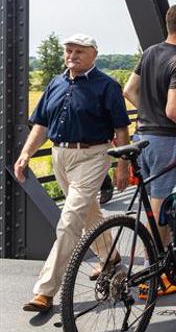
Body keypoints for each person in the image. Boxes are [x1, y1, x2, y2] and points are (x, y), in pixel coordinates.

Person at [17, 33, 131, 312]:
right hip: (60, 155)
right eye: (68, 50)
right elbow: (41, 124)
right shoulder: (56, 82)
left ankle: (45, 291)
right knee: (88, 212)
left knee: (69, 222)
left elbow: (120, 129)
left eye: (79, 51)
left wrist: (123, 166)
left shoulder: (107, 85)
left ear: (94, 54)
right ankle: (111, 258)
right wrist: (26, 153)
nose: (72, 55)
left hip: (93, 154)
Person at [122, 3, 176, 295]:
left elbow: (129, 90)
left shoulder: (150, 52)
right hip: (168, 141)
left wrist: (150, 113)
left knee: (153, 204)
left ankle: (160, 267)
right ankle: (154, 276)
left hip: (143, 136)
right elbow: (175, 110)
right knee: (159, 210)